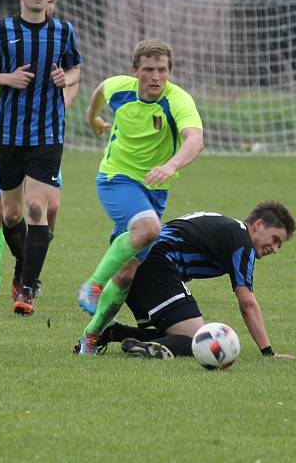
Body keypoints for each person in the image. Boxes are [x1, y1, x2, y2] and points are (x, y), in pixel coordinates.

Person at [0, 0, 81, 316]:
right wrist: (6, 79)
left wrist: (67, 81)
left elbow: (75, 68)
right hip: (8, 136)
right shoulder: (1, 31)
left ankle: (27, 290)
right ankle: (22, 267)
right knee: (11, 216)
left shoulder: (63, 31)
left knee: (36, 209)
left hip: (47, 135)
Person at [76, 39, 204, 354]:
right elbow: (99, 93)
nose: (155, 77)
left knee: (128, 271)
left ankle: (92, 336)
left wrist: (171, 164)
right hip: (115, 179)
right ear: (135, 71)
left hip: (153, 193)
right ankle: (92, 286)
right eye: (148, 70)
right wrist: (93, 119)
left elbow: (195, 140)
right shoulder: (120, 88)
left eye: (162, 70)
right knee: (149, 229)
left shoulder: (178, 100)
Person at [80, 202, 296, 360]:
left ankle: (114, 332)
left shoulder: (230, 228)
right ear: (258, 225)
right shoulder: (242, 241)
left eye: (280, 245)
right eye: (275, 240)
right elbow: (246, 301)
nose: (275, 249)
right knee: (197, 338)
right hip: (156, 263)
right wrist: (268, 352)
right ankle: (142, 347)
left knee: (170, 333)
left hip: (139, 261)